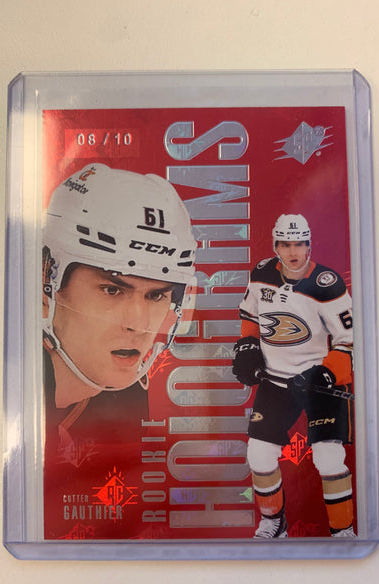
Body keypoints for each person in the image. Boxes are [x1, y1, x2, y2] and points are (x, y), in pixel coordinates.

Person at [42, 163, 197, 539]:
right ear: (48, 279)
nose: (139, 324)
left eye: (156, 295)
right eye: (112, 290)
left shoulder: (127, 402)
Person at [233, 213, 355, 539]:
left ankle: (343, 531)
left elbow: (349, 340)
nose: (293, 251)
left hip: (319, 383)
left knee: (329, 459)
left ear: (309, 245)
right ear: (275, 245)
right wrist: (247, 346)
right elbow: (250, 316)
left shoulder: (327, 284)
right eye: (286, 244)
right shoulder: (261, 273)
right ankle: (274, 523)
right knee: (258, 454)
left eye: (299, 243)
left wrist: (327, 373)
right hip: (275, 381)